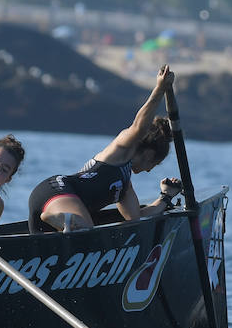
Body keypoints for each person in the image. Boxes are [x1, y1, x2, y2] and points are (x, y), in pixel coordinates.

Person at [27, 65, 182, 233]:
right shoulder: (121, 151)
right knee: (87, 231)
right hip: (55, 191)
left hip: (60, 208)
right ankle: (65, 219)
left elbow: (136, 218)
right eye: (155, 164)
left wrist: (166, 197)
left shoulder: (124, 186)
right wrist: (160, 89)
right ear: (149, 154)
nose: (150, 170)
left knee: (72, 238)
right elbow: (140, 127)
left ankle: (67, 220)